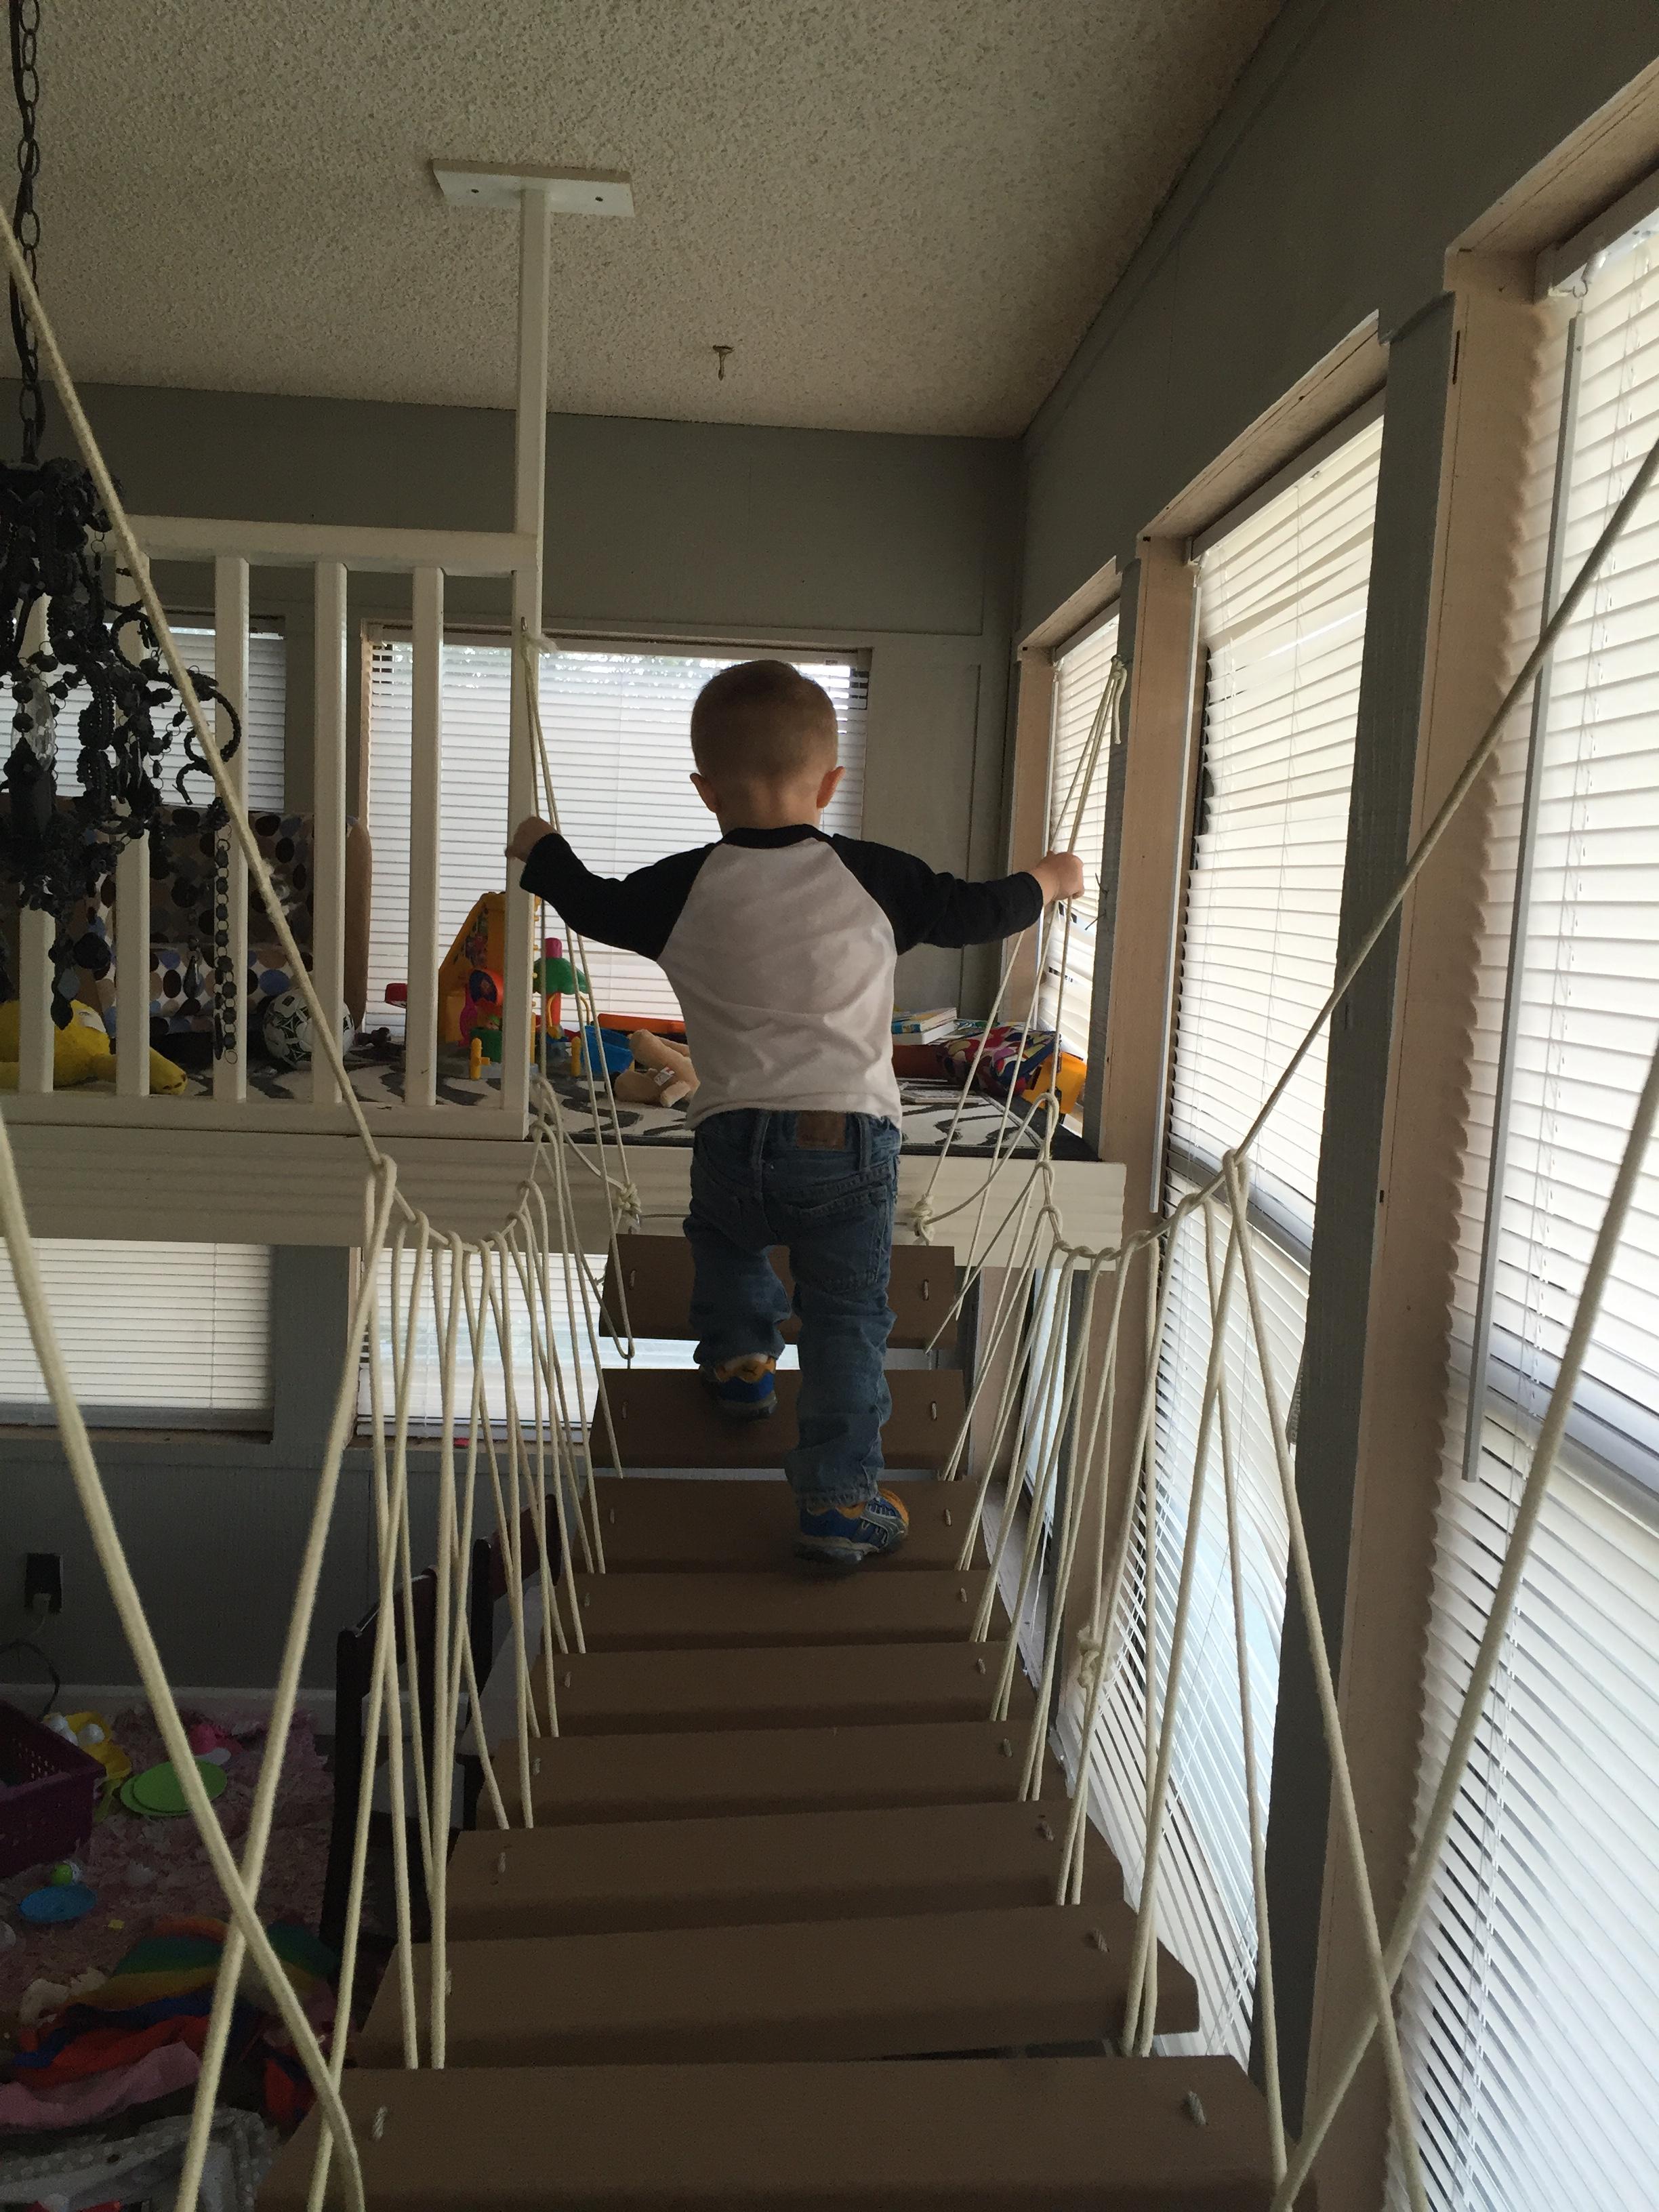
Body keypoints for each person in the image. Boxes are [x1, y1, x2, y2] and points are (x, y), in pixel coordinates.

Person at [508, 658, 1083, 1572]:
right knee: (847, 1321)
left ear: (704, 791)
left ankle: (739, 1364)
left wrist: (541, 847)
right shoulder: (875, 877)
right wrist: (1049, 880)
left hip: (732, 1136)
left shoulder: (683, 885)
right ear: (831, 783)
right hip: (848, 1144)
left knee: (726, 1244)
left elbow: (592, 904)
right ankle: (840, 1500)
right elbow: (980, 911)